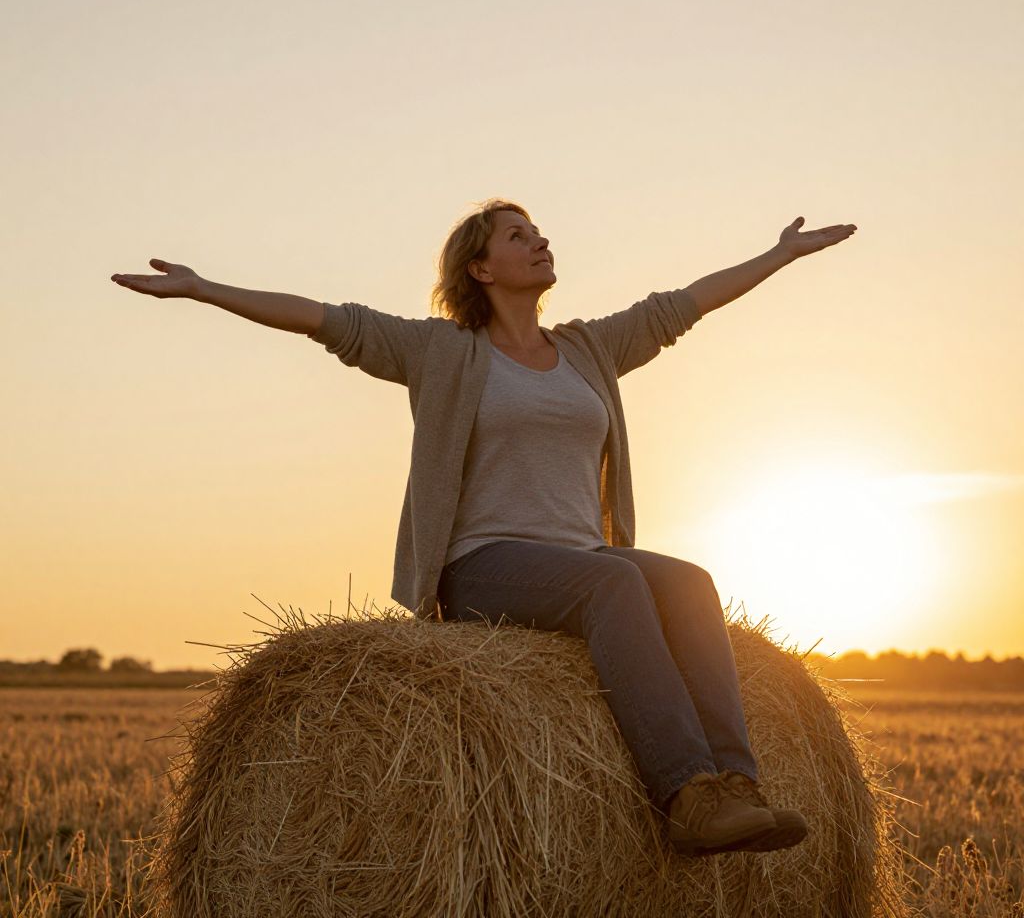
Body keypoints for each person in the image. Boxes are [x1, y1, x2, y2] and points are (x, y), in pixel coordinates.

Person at [110, 198, 856, 857]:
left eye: (539, 231)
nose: (539, 241)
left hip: (578, 556)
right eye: (517, 234)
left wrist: (779, 256)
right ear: (481, 269)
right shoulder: (442, 353)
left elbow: (681, 306)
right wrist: (206, 290)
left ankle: (737, 788)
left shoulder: (588, 350)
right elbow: (324, 321)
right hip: (483, 565)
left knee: (689, 582)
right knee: (616, 584)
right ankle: (687, 798)